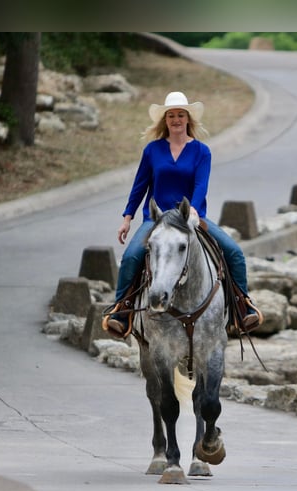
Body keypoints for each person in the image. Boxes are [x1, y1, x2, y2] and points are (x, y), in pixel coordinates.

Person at [106, 91, 262, 337]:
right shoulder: (152, 150)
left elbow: (201, 185)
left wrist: (193, 212)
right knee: (132, 256)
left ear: (188, 119)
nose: (176, 119)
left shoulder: (202, 151)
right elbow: (140, 186)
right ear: (165, 120)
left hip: (190, 216)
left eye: (180, 115)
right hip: (156, 220)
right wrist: (127, 218)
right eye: (171, 116)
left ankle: (242, 308)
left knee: (234, 251)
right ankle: (121, 311)